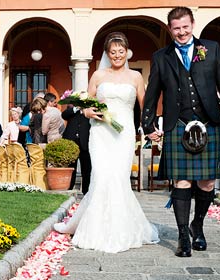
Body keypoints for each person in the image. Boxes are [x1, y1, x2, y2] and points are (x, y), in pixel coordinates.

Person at [142, 7, 220, 258]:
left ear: (192, 24)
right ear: (170, 29)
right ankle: (183, 235)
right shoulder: (161, 56)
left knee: (207, 182)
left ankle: (198, 224)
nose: (182, 32)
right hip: (177, 123)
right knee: (183, 181)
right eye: (176, 28)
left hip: (209, 121)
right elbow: (152, 93)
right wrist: (148, 123)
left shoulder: (211, 48)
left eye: (185, 27)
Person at [53, 32, 159, 253]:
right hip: (100, 133)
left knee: (118, 178)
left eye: (121, 51)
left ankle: (120, 230)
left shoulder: (136, 78)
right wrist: (89, 111)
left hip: (124, 134)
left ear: (127, 52)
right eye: (113, 52)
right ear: (108, 54)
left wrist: (150, 129)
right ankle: (94, 230)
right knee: (100, 177)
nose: (117, 55)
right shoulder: (98, 76)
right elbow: (86, 104)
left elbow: (145, 106)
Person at [61, 104, 91, 194]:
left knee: (86, 169)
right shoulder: (72, 111)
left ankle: (86, 190)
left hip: (85, 143)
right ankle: (69, 188)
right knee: (71, 167)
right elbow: (64, 115)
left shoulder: (90, 113)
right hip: (72, 143)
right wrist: (76, 108)